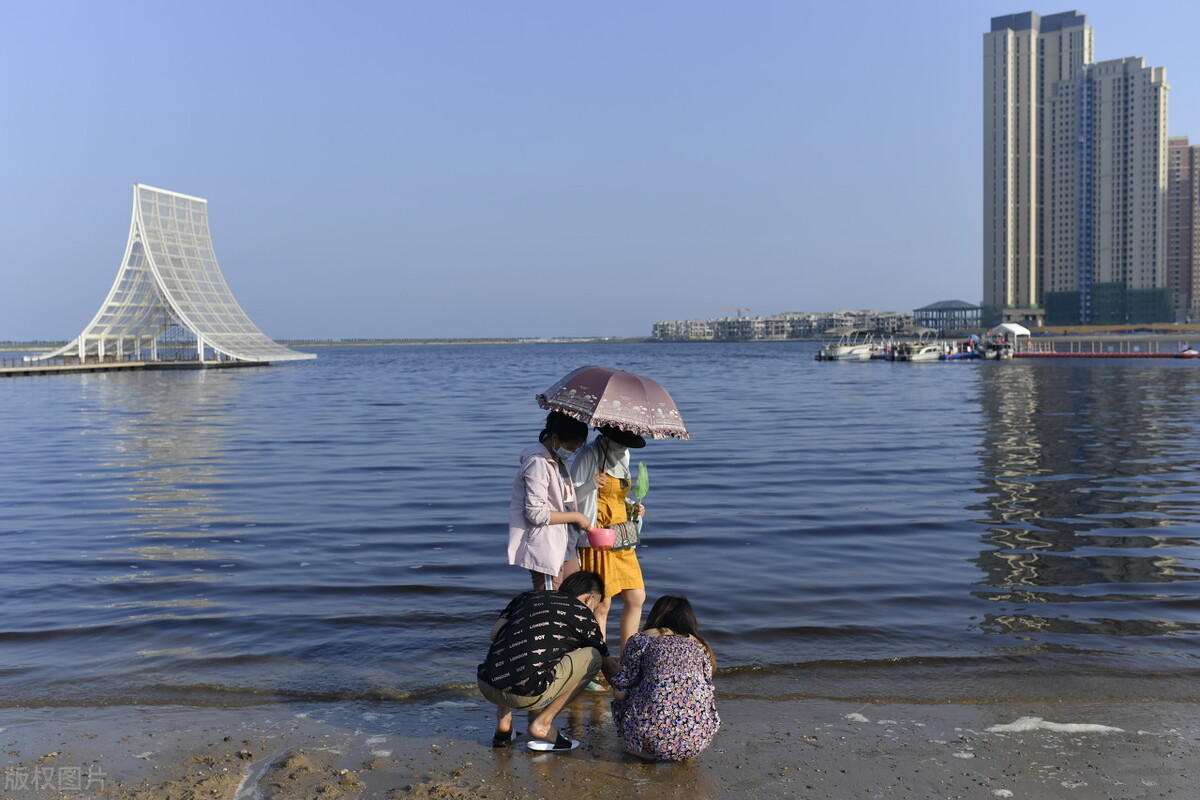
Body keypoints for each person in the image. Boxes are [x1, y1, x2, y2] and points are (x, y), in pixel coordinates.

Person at [477, 571, 619, 751]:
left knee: (508, 647)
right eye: (595, 606)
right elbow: (608, 667)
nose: (593, 610)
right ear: (590, 599)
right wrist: (628, 692)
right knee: (594, 657)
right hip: (525, 696)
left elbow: (494, 634)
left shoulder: (527, 596)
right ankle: (543, 724)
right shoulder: (583, 614)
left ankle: (504, 724)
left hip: (486, 685)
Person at [609, 595, 720, 762]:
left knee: (623, 692)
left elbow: (621, 688)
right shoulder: (700, 646)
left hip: (653, 738)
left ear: (656, 615)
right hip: (699, 739)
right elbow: (707, 687)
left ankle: (641, 748)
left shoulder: (642, 640)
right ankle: (685, 748)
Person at [570, 425, 647, 652]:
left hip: (622, 536)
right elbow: (570, 499)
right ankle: (598, 665)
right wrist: (591, 484)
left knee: (636, 597)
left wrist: (633, 507)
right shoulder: (589, 454)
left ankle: (628, 660)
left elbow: (617, 497)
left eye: (628, 443)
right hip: (598, 537)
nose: (624, 447)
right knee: (601, 605)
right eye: (621, 441)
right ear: (608, 435)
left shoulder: (624, 456)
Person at [509, 411, 593, 590]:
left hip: (567, 544)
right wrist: (576, 517)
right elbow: (535, 513)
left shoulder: (560, 462)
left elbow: (566, 501)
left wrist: (591, 486)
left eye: (576, 449)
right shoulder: (538, 464)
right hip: (548, 547)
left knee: (575, 599)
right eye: (570, 447)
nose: (571, 452)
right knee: (550, 607)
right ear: (555, 438)